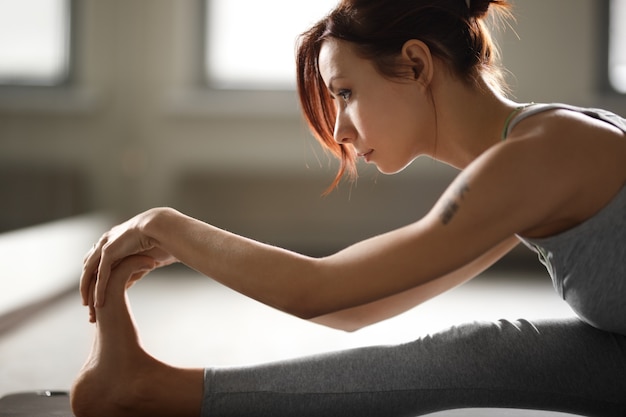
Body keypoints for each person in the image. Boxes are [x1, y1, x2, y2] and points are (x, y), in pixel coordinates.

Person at [71, 0, 626, 416]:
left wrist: (164, 226)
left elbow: (319, 290)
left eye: (344, 93)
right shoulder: (531, 153)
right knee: (480, 352)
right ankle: (147, 388)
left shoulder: (536, 156)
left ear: (414, 64)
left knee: (480, 351)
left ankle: (145, 390)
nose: (339, 129)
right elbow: (353, 308)